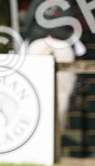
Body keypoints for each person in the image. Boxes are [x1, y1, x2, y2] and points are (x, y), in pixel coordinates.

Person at [20, 1, 87, 130]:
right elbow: (70, 21)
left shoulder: (37, 2)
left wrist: (33, 33)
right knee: (81, 50)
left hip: (39, 37)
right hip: (61, 38)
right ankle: (80, 80)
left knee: (21, 55)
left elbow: (28, 22)